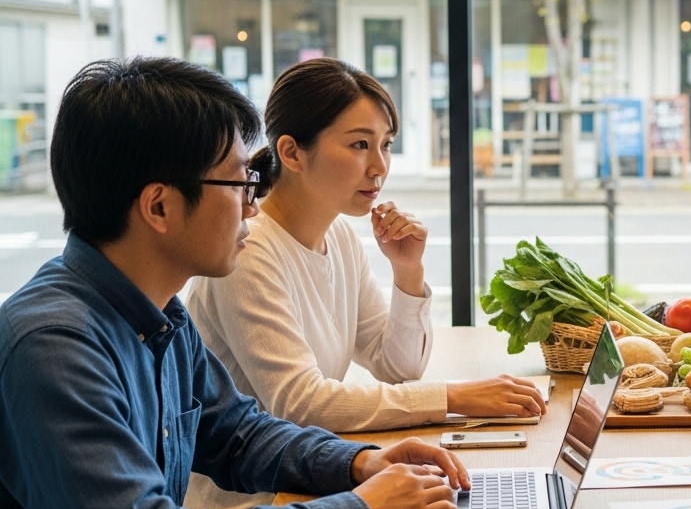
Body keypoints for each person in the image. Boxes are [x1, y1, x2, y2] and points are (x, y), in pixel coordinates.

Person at [0, 57, 471, 509]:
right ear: (159, 206)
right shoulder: (54, 346)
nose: (253, 204)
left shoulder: (161, 317)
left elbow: (239, 434)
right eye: (240, 181)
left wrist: (360, 462)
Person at [187, 58, 544, 436]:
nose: (379, 166)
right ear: (291, 152)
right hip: (255, 494)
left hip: (312, 471)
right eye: (360, 144)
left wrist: (408, 270)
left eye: (386, 145)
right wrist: (452, 397)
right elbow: (300, 403)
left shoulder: (338, 236)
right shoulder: (249, 249)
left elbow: (398, 367)